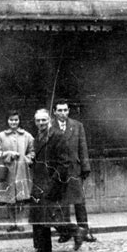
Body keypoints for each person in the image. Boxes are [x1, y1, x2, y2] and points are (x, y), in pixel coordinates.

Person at [27, 108, 85, 252]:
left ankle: (76, 231)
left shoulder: (57, 136)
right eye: (38, 120)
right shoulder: (37, 137)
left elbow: (64, 163)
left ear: (50, 121)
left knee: (51, 215)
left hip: (51, 181)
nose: (41, 123)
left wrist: (54, 183)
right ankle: (43, 247)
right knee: (38, 215)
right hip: (39, 181)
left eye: (44, 120)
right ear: (35, 122)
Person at [51, 99, 96, 243]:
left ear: (68, 111)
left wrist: (85, 167)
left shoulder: (77, 126)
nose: (63, 113)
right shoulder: (50, 127)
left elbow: (83, 147)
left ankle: (85, 230)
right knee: (62, 202)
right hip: (58, 170)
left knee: (79, 202)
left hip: (74, 169)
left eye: (65, 110)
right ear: (54, 112)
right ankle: (66, 232)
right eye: (60, 110)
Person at [0, 110, 35, 232]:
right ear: (7, 121)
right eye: (11, 120)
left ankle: (20, 222)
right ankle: (12, 222)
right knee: (9, 198)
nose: (13, 122)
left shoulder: (27, 136)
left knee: (21, 199)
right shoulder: (0, 136)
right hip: (8, 172)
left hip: (22, 171)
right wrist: (8, 154)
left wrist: (26, 160)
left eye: (16, 120)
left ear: (19, 120)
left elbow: (32, 151)